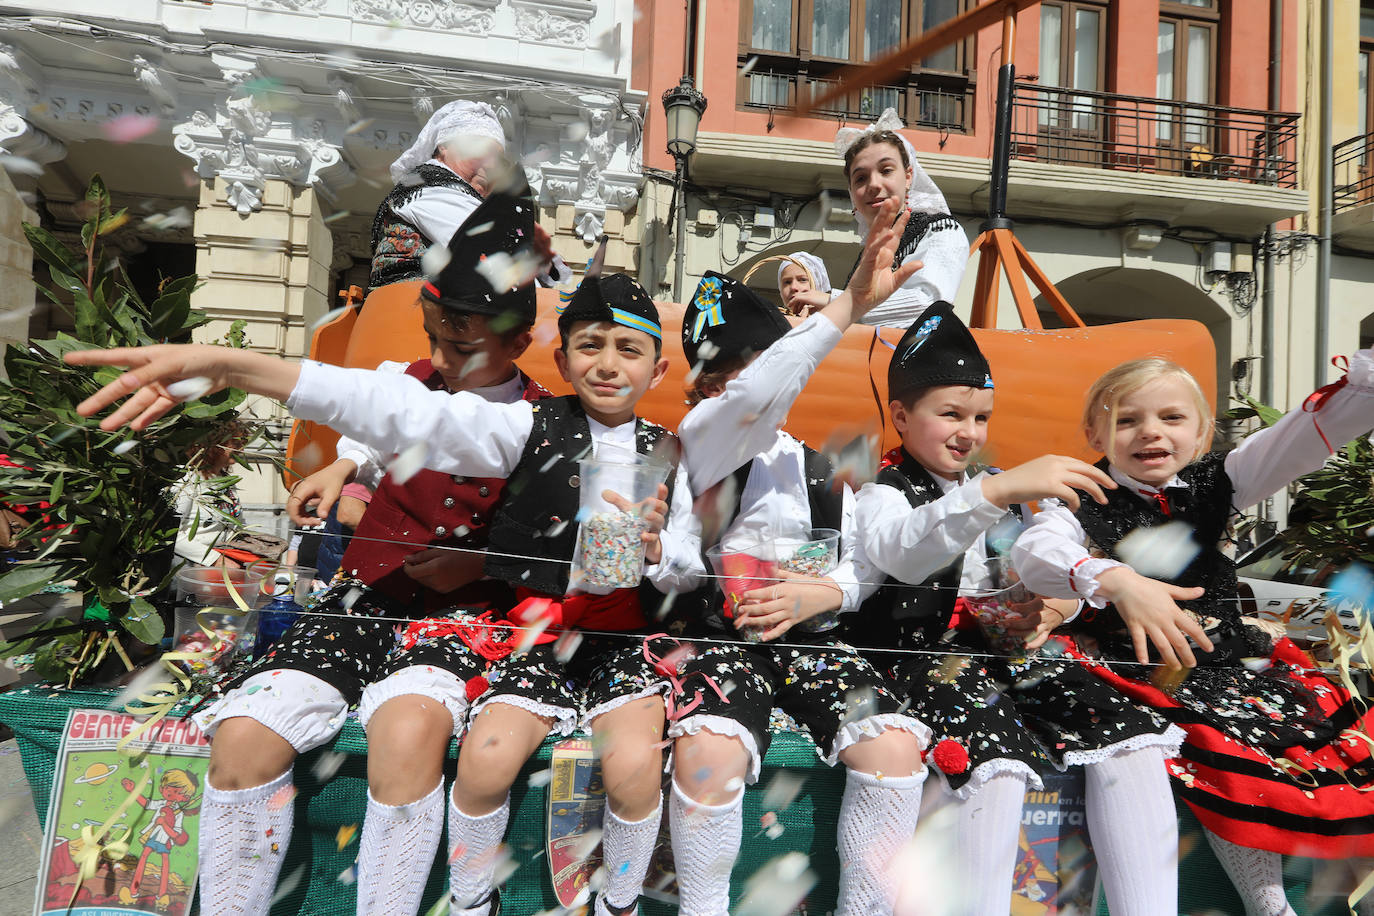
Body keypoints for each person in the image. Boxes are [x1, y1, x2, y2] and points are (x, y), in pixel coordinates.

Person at [157, 189, 549, 916]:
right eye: (434, 334)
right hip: (363, 599)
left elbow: (537, 538)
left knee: (408, 732)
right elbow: (378, 428)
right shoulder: (407, 377)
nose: (439, 357)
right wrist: (340, 468)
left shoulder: (536, 423)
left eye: (461, 345)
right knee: (244, 736)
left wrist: (480, 564)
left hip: (461, 618)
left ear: (517, 342)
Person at [847, 303, 1204, 916]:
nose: (969, 432)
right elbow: (900, 554)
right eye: (951, 414)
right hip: (919, 661)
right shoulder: (883, 490)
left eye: (981, 417)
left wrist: (1047, 611)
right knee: (997, 762)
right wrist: (997, 491)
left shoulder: (994, 486)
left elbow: (1038, 565)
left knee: (1130, 736)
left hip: (1003, 656)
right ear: (902, 417)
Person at [1011, 354, 1374, 916]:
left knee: (1333, 742)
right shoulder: (1080, 499)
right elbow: (1036, 553)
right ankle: (1269, 903)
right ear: (1093, 433)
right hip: (1146, 672)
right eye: (1127, 419)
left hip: (1233, 663)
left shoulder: (1220, 481)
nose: (1150, 431)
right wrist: (1110, 577)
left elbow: (1301, 439)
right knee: (1224, 757)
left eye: (1172, 418)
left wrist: (1362, 388)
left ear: (1203, 432)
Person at [670, 245, 929, 916]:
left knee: (894, 744)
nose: (738, 395)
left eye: (750, 375)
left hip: (811, 643)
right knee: (708, 752)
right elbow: (655, 564)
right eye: (717, 382)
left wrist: (821, 591)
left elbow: (856, 564)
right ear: (699, 393)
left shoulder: (820, 469)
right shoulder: (684, 459)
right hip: (713, 643)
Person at [836, 109, 968, 329]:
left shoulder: (941, 230)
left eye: (886, 170)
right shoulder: (867, 254)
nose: (874, 185)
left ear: (908, 177)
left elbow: (926, 305)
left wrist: (832, 302)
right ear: (851, 192)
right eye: (860, 178)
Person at [371, 100, 506, 290]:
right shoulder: (432, 191)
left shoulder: (436, 187)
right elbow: (493, 259)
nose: (492, 165)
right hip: (412, 314)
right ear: (445, 147)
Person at [171, 418, 252, 568]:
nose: (241, 450)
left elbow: (236, 523)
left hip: (225, 563)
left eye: (242, 444)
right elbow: (169, 534)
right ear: (214, 444)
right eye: (236, 444)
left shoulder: (225, 480)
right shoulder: (185, 479)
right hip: (190, 570)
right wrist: (215, 560)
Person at [776, 251, 832, 317]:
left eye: (803, 280)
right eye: (787, 282)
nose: (793, 287)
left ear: (817, 284)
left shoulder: (832, 319)